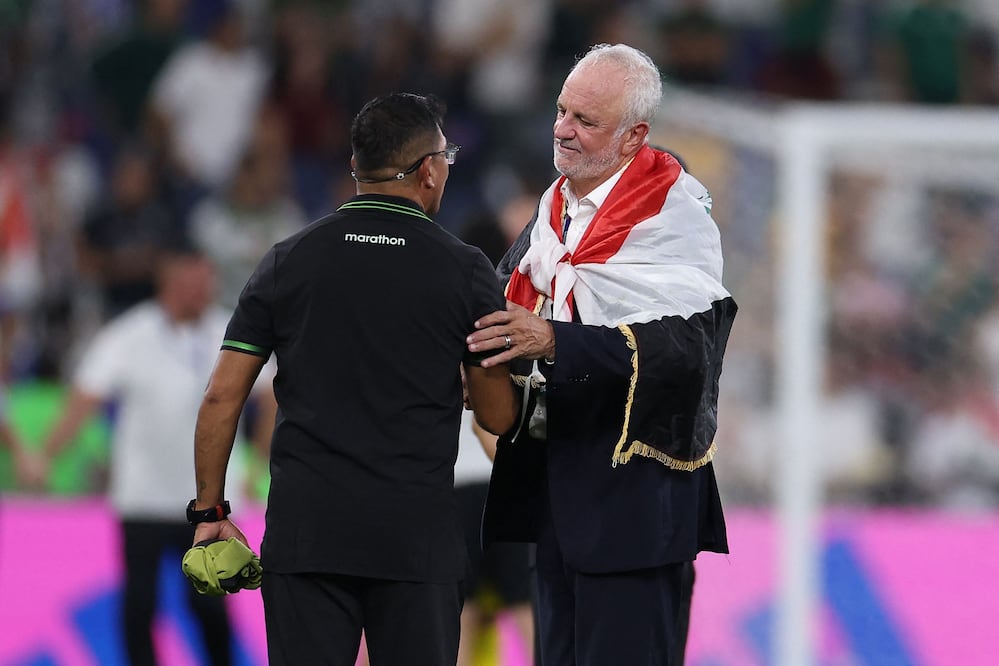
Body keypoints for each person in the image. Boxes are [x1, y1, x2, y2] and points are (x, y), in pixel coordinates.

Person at [187, 92, 519, 666]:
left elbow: (221, 395)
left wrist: (210, 513)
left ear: (356, 169)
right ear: (429, 171)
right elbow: (498, 417)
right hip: (415, 543)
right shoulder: (466, 271)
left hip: (307, 535)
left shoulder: (287, 260)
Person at [466, 43, 738, 666]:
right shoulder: (554, 209)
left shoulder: (675, 215)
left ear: (632, 136)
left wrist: (555, 340)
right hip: (557, 500)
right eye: (562, 111)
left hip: (638, 513)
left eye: (585, 121)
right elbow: (508, 299)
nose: (563, 129)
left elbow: (689, 352)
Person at [24, 243, 273, 666]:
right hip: (143, 497)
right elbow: (85, 398)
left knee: (210, 606)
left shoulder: (226, 330)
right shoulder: (130, 335)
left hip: (211, 501)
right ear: (169, 283)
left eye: (206, 282)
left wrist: (259, 461)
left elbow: (270, 395)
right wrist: (45, 453)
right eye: (193, 284)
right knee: (139, 605)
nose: (202, 292)